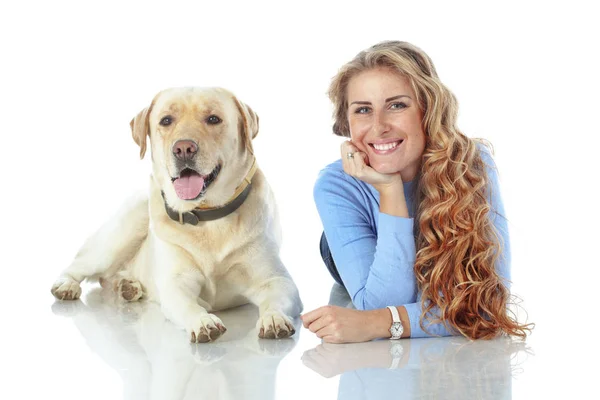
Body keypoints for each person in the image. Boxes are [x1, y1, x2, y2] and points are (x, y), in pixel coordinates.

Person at [301, 41, 532, 343]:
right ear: (346, 122)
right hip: (360, 244)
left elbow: (487, 307)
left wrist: (378, 323)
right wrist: (389, 188)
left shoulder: (471, 165)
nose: (379, 126)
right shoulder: (335, 185)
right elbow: (380, 303)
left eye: (396, 105)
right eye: (363, 110)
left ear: (427, 109)